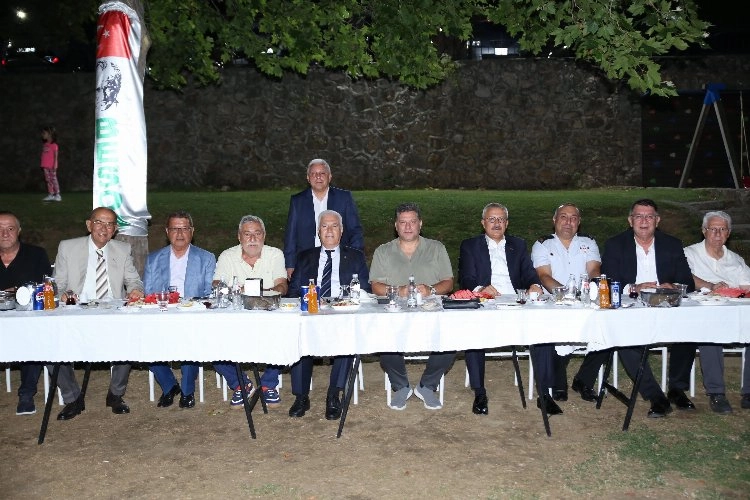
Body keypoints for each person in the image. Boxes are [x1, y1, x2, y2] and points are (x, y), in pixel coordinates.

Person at [576, 199, 696, 418]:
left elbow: (687, 281)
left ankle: (677, 390)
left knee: (689, 328)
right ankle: (656, 396)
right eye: (639, 216)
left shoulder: (672, 244)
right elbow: (609, 280)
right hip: (631, 307)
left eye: (649, 217)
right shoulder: (616, 244)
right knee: (624, 339)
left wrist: (672, 286)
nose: (644, 221)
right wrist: (634, 287)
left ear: (657, 221)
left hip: (665, 305)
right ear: (630, 221)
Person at [51, 207, 145, 420]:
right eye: (99, 222)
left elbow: (134, 280)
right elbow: (57, 285)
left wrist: (135, 290)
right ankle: (73, 398)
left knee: (130, 338)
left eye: (110, 224)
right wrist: (62, 294)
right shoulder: (68, 247)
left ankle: (115, 394)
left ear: (115, 229)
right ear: (89, 225)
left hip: (112, 312)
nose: (104, 228)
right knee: (51, 347)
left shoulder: (122, 249)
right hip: (76, 312)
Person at [459, 203, 552, 416]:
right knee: (473, 332)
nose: (496, 223)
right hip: (487, 303)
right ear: (483, 223)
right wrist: (481, 289)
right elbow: (466, 278)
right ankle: (479, 392)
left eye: (501, 219)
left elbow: (529, 273)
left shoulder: (518, 245)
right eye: (491, 219)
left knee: (544, 331)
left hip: (516, 303)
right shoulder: (470, 245)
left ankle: (545, 394)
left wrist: (534, 284)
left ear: (507, 223)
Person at [369, 202, 455, 410]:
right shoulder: (383, 251)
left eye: (412, 222)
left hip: (430, 309)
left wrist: (430, 290)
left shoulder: (436, 248)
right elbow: (375, 286)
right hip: (394, 311)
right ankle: (401, 387)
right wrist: (398, 290)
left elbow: (448, 283)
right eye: (403, 222)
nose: (408, 227)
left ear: (420, 224)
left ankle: (427, 386)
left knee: (451, 338)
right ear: (396, 225)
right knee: (383, 338)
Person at [287, 210, 371, 419]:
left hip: (342, 316)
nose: (330, 230)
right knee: (298, 335)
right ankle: (301, 396)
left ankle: (334, 394)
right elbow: (293, 292)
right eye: (325, 226)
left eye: (334, 226)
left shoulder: (356, 257)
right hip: (311, 314)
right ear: (318, 231)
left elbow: (365, 291)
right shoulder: (305, 257)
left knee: (348, 337)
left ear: (341, 230)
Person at [143, 210, 216, 409]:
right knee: (143, 338)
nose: (180, 233)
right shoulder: (153, 259)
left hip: (192, 315)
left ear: (192, 231)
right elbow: (148, 292)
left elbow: (209, 293)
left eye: (184, 228)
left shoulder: (206, 258)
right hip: (161, 314)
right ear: (167, 232)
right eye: (175, 229)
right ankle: (169, 385)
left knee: (190, 338)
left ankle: (187, 390)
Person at [214, 215, 288, 407]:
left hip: (269, 317)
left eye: (257, 233)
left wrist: (248, 290)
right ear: (239, 237)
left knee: (288, 334)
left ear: (264, 235)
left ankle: (268, 384)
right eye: (247, 234)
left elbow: (282, 286)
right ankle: (240, 384)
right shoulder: (227, 256)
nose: (253, 239)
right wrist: (254, 290)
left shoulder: (275, 254)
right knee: (210, 341)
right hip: (235, 320)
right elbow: (216, 285)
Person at [531, 203, 602, 403]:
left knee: (607, 329)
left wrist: (589, 291)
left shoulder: (589, 242)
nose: (568, 222)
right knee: (554, 332)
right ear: (554, 220)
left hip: (585, 300)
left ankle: (584, 380)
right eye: (563, 217)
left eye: (573, 218)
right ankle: (558, 380)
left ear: (579, 222)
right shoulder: (543, 244)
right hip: (553, 302)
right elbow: (544, 276)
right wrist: (568, 295)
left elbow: (594, 270)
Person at [684, 211, 750, 413]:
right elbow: (686, 277)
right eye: (713, 229)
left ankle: (748, 392)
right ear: (704, 231)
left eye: (723, 229)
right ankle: (716, 393)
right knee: (710, 333)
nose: (718, 234)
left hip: (735, 314)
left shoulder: (736, 260)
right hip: (703, 313)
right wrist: (711, 286)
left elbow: (747, 286)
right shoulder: (689, 253)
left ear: (728, 233)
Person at [0, 211, 52, 415]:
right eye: (0, 229)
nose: (5, 233)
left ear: (19, 231)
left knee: (34, 335)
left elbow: (46, 287)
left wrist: (19, 291)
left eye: (10, 228)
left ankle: (26, 394)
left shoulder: (36, 254)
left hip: (26, 318)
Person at [283, 158, 364, 280]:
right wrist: (290, 264)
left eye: (322, 173)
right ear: (308, 178)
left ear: (330, 177)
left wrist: (353, 257)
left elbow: (355, 231)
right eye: (313, 174)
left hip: (339, 259)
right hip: (306, 261)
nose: (318, 177)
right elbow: (291, 235)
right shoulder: (297, 201)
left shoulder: (344, 198)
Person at [40, 126, 61, 202]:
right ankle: (51, 194)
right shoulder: (45, 145)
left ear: (50, 134)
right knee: (48, 180)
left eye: (44, 133)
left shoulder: (54, 145)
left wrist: (55, 165)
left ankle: (57, 194)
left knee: (53, 179)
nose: (42, 135)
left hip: (51, 166)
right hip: (45, 166)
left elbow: (55, 156)